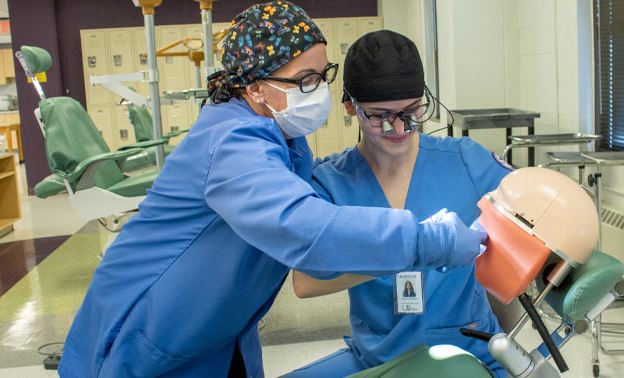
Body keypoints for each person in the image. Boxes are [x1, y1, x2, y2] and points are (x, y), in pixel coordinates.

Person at [58, 4, 486, 377]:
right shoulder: (231, 143)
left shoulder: (285, 141)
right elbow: (305, 230)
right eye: (304, 80)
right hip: (145, 334)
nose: (317, 91)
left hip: (216, 331)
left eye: (322, 76)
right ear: (255, 87)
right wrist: (432, 239)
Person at [285, 30, 513, 377]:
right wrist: (410, 250)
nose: (399, 126)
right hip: (381, 359)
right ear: (351, 107)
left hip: (468, 354)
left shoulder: (466, 161)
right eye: (380, 115)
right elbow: (306, 282)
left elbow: (535, 212)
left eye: (412, 110)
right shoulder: (330, 182)